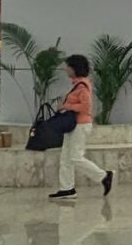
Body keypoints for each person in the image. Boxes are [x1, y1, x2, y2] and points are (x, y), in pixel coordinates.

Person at [46, 52, 110, 201]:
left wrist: (66, 106)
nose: (66, 69)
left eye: (68, 67)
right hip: (73, 126)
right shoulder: (77, 85)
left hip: (80, 125)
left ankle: (103, 176)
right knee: (66, 158)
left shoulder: (82, 86)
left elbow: (86, 107)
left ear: (75, 68)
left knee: (75, 157)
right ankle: (66, 189)